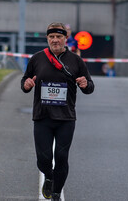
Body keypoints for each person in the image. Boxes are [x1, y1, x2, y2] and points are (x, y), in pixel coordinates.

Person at [21, 22, 94, 201]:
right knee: (43, 159)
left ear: (65, 39)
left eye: (59, 37)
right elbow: (25, 82)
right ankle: (49, 176)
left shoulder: (76, 61)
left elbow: (89, 86)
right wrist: (27, 84)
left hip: (66, 118)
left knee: (61, 156)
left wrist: (85, 85)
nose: (55, 40)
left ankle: (56, 193)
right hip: (42, 116)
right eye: (51, 37)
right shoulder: (37, 58)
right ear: (47, 38)